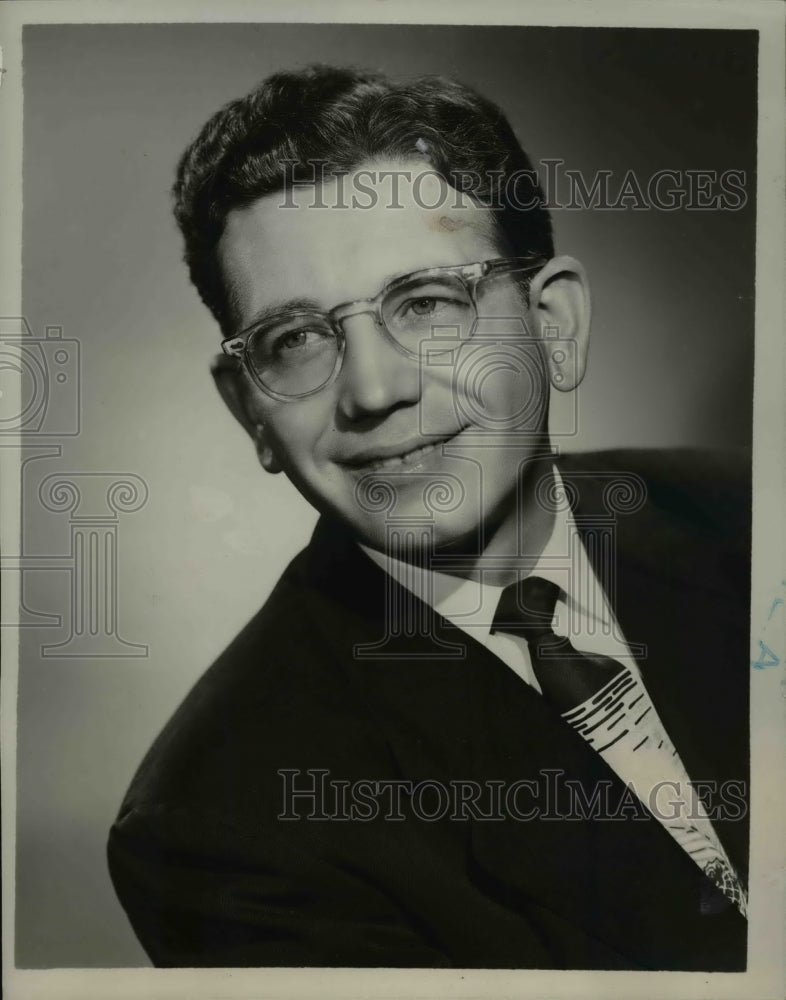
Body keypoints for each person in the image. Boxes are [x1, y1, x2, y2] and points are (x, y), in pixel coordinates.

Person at [107, 65, 750, 970]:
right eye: (296, 339)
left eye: (427, 303)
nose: (374, 389)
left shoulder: (748, 517)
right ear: (250, 407)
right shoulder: (224, 824)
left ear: (554, 325)